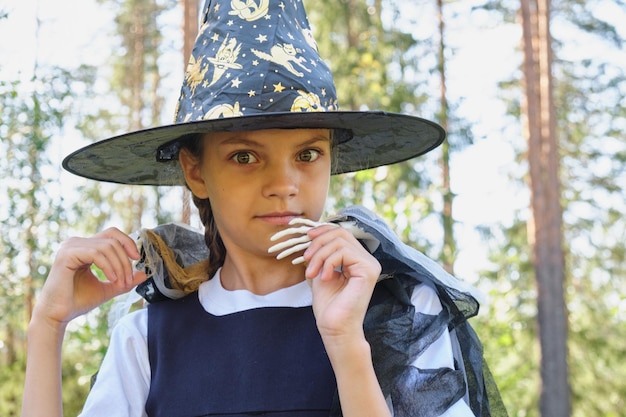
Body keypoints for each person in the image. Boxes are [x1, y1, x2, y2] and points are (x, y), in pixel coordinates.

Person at [22, 0, 507, 416]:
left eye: (307, 154)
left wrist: (346, 344)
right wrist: (48, 325)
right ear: (196, 172)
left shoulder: (398, 313)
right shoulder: (148, 338)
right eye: (245, 157)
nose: (284, 184)